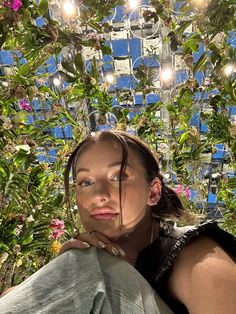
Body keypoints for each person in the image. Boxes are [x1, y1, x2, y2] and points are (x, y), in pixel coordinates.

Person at [0, 130, 235, 314]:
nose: (99, 195)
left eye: (119, 176)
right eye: (85, 182)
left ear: (153, 192)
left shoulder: (195, 254)